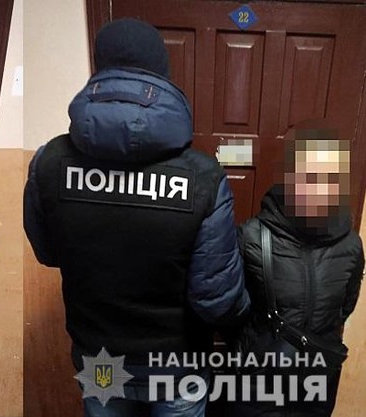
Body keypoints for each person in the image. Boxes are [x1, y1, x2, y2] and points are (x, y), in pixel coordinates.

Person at [23, 18, 250, 416]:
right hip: (176, 366)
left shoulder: (49, 163)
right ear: (161, 75)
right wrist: (247, 318)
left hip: (100, 359)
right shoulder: (202, 178)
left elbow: (48, 252)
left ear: (100, 70)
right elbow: (215, 299)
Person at [229, 122, 364, 416]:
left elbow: (344, 308)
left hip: (316, 385)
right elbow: (231, 312)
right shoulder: (252, 237)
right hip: (259, 384)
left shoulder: (351, 245)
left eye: (328, 179)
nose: (318, 190)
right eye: (308, 177)